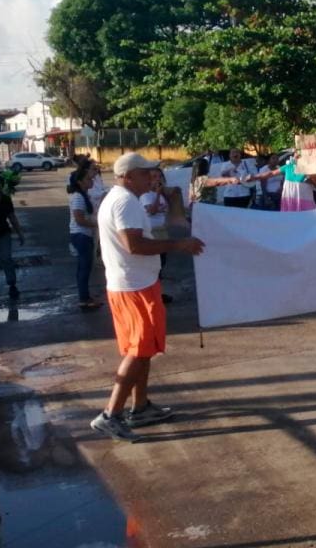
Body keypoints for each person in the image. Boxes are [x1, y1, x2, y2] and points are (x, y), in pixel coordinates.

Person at [89, 153, 205, 442]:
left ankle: (139, 406)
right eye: (145, 173)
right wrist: (179, 244)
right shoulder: (125, 202)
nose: (152, 178)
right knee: (139, 350)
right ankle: (110, 414)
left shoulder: (121, 199)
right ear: (128, 176)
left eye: (152, 173)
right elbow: (135, 245)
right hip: (134, 287)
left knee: (144, 348)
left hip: (133, 284)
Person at [67, 169, 102, 310]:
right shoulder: (78, 197)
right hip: (81, 235)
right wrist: (98, 224)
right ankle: (84, 299)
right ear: (80, 182)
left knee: (84, 267)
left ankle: (85, 296)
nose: (91, 181)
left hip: (84, 234)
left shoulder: (83, 195)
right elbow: (79, 219)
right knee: (84, 267)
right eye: (88, 179)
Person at [141, 169, 171, 276]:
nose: (158, 179)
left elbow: (166, 209)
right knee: (156, 261)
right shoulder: (146, 195)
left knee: (162, 260)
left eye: (160, 176)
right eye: (154, 177)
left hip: (162, 230)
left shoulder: (160, 194)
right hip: (153, 231)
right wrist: (158, 194)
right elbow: (152, 211)